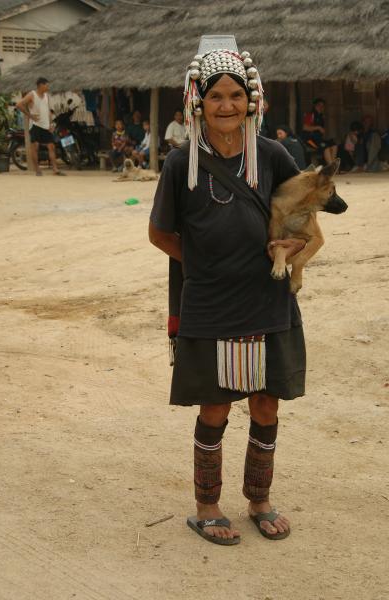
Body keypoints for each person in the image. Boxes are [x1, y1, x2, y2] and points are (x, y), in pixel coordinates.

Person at [149, 40, 307, 545]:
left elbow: (302, 217)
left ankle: (258, 499)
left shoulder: (273, 155)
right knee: (215, 408)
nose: (226, 105)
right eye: (215, 95)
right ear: (197, 100)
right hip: (210, 304)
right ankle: (207, 506)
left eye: (235, 95)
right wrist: (206, 267)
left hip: (268, 301)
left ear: (251, 100)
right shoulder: (181, 165)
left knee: (265, 405)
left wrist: (294, 241)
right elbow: (160, 233)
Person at [16, 77, 65, 176]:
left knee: (51, 146)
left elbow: (47, 111)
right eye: (46, 85)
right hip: (35, 126)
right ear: (41, 85)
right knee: (35, 148)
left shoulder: (46, 96)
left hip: (46, 126)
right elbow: (19, 104)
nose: (48, 87)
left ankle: (55, 169)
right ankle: (37, 169)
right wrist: (30, 115)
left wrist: (51, 124)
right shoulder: (32, 94)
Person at [302, 98, 338, 164]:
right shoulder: (310, 115)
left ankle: (333, 165)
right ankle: (330, 166)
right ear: (315, 106)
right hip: (309, 140)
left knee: (334, 145)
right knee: (326, 147)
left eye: (322, 106)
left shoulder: (321, 116)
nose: (321, 107)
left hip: (318, 139)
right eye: (319, 105)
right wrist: (318, 127)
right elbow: (305, 127)